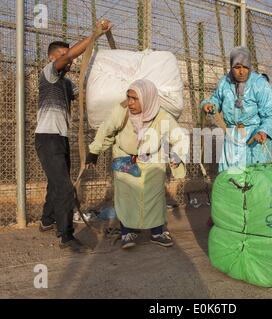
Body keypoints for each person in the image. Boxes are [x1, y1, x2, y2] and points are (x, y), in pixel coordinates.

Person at [35, 19, 112, 253]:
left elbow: (86, 94)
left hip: (60, 137)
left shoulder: (66, 84)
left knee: (56, 183)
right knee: (66, 188)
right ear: (52, 58)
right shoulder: (48, 73)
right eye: (64, 55)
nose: (70, 59)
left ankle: (47, 220)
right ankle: (66, 235)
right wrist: (94, 35)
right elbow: (68, 58)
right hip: (47, 138)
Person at [85, 79, 189, 249]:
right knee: (127, 197)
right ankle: (127, 233)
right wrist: (94, 151)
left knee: (154, 196)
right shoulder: (122, 111)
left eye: (135, 98)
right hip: (125, 158)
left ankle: (157, 233)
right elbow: (106, 128)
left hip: (153, 159)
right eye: (129, 97)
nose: (130, 102)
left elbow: (180, 137)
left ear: (147, 98)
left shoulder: (162, 116)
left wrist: (176, 155)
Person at [200, 47, 272, 172]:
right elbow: (216, 100)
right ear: (231, 66)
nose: (241, 72)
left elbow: (270, 115)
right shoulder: (224, 83)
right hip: (232, 137)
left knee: (254, 180)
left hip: (254, 140)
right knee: (231, 178)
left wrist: (263, 131)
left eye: (245, 67)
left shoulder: (260, 84)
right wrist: (209, 104)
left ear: (250, 67)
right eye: (237, 67)